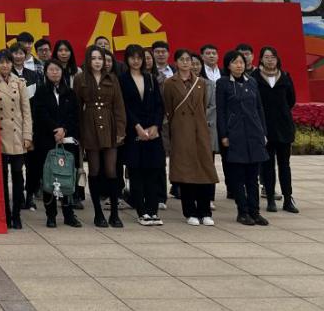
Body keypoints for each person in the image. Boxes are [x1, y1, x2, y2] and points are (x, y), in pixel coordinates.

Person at [162, 49, 218, 226]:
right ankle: (190, 211)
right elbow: (168, 108)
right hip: (181, 131)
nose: (186, 63)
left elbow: (203, 105)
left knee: (204, 170)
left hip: (200, 131)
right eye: (182, 59)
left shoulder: (201, 83)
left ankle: (205, 211)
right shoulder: (169, 83)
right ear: (176, 62)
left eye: (189, 60)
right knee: (186, 172)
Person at [74, 46, 126, 228]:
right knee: (94, 170)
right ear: (88, 60)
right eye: (93, 58)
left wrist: (120, 131)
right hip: (89, 125)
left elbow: (119, 106)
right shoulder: (80, 79)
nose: (97, 62)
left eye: (100, 58)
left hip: (109, 125)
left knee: (111, 170)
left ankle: (114, 213)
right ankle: (98, 213)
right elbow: (77, 107)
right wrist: (79, 133)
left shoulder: (112, 78)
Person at [217, 49, 269, 226]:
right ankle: (243, 212)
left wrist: (263, 132)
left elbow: (259, 108)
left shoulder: (252, 82)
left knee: (253, 177)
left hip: (254, 133)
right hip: (235, 134)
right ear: (228, 65)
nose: (239, 65)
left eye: (241, 62)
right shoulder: (223, 83)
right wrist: (223, 135)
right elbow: (221, 111)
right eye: (235, 62)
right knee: (238, 177)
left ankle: (255, 212)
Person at [31, 60, 81, 228]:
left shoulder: (70, 93)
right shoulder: (41, 92)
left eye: (57, 69)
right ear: (46, 72)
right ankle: (51, 215)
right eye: (51, 69)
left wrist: (64, 130)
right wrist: (55, 130)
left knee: (67, 176)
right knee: (49, 177)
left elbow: (74, 115)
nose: (54, 72)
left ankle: (69, 214)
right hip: (46, 140)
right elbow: (40, 114)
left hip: (67, 141)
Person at [118, 45, 165, 226]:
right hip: (133, 132)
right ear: (127, 59)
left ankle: (153, 211)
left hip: (152, 133)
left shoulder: (150, 78)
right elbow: (123, 106)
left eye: (139, 58)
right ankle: (142, 211)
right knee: (136, 173)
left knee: (153, 172)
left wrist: (155, 126)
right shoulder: (122, 80)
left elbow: (159, 105)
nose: (136, 61)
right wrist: (136, 126)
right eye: (133, 57)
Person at [0, 49, 32, 230]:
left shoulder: (19, 82)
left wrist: (27, 135)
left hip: (17, 134)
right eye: (1, 62)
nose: (5, 65)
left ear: (12, 64)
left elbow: (26, 111)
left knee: (18, 175)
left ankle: (17, 214)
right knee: (2, 177)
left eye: (7, 62)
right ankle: (5, 213)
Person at [254, 46, 298, 214]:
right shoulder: (255, 77)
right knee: (267, 165)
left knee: (284, 165)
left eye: (273, 57)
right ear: (261, 59)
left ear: (277, 59)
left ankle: (288, 199)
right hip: (264, 128)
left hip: (283, 127)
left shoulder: (285, 76)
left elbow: (291, 100)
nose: (270, 60)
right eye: (266, 57)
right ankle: (271, 198)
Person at [9, 42, 41, 210]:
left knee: (32, 164)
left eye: (21, 53)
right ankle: (19, 196)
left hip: (31, 124)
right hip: (13, 124)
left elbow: (38, 100)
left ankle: (30, 196)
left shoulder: (33, 75)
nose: (18, 56)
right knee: (16, 164)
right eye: (15, 53)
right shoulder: (7, 74)